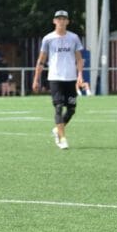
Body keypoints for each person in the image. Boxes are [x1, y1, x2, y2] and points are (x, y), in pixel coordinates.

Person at [32, 10, 85, 150]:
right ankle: (62, 138)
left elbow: (79, 58)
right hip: (55, 77)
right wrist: (36, 79)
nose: (61, 21)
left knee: (72, 109)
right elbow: (41, 60)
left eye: (64, 19)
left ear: (67, 21)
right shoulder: (48, 39)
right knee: (58, 107)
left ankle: (57, 129)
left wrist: (80, 75)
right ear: (54, 21)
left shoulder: (74, 38)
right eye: (58, 19)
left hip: (70, 77)